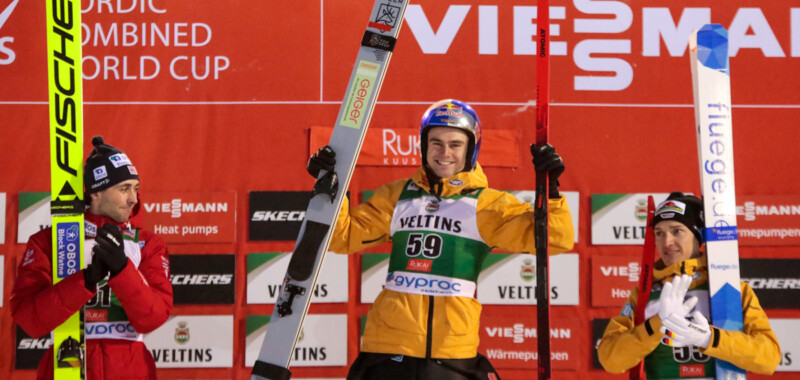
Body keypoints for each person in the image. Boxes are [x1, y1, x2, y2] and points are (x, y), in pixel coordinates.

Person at [307, 99, 575, 379]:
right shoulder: (398, 196)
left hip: (451, 352)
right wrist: (328, 187)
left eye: (455, 144)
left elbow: (555, 239)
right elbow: (342, 237)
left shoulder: (487, 205)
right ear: (424, 146)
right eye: (435, 143)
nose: (444, 152)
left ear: (471, 149)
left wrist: (551, 190)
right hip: (388, 347)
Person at [11, 136, 173, 380]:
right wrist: (84, 282)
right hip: (66, 365)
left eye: (135, 188)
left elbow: (153, 318)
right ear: (96, 192)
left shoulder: (147, 244)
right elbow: (30, 320)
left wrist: (122, 270)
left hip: (129, 369)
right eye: (124, 188)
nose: (134, 199)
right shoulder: (49, 242)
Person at [597, 192, 781, 378]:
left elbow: (769, 358)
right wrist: (658, 323)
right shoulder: (644, 294)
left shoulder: (730, 289)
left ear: (697, 236)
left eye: (677, 231)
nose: (667, 242)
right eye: (659, 233)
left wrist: (710, 338)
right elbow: (610, 360)